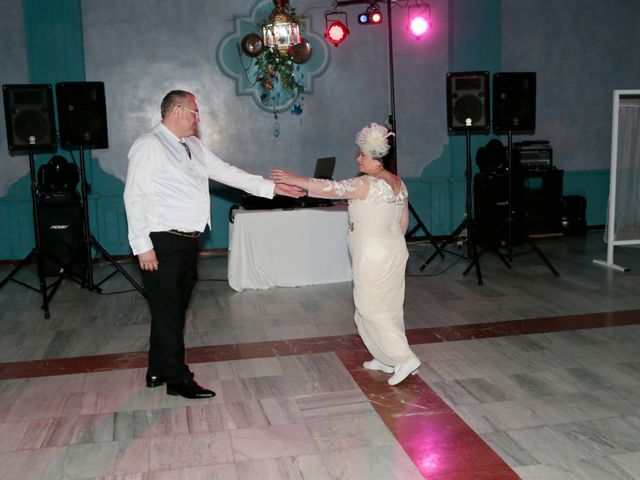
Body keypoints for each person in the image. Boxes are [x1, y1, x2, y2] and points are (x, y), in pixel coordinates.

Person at [124, 90, 302, 399]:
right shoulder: (149, 145)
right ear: (176, 111)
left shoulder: (192, 146)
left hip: (188, 242)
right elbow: (134, 196)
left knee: (172, 310)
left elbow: (227, 173)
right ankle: (178, 379)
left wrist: (272, 188)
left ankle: (157, 368)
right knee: (168, 311)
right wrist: (142, 246)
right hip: (161, 241)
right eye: (194, 112)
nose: (198, 118)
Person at [270, 123, 421, 385]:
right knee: (388, 307)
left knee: (369, 307)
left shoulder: (367, 183)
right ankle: (385, 357)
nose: (357, 159)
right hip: (394, 249)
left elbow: (332, 188)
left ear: (376, 159)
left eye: (362, 155)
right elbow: (403, 223)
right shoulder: (398, 182)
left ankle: (404, 358)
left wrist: (294, 179)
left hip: (373, 254)